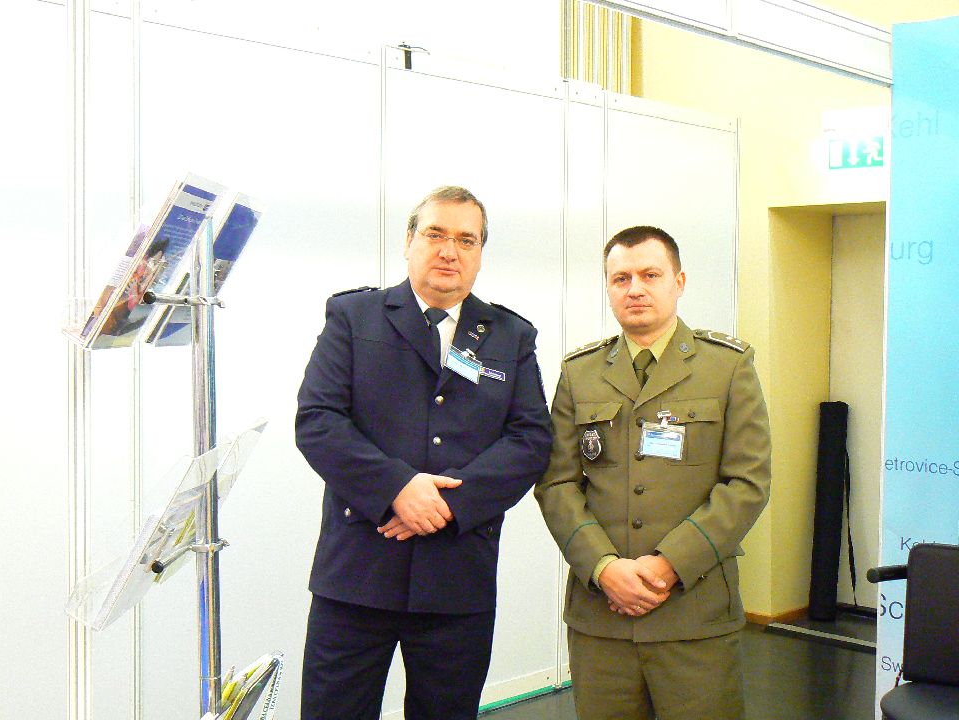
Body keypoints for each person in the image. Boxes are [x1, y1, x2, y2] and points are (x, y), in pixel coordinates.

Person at [295, 186, 553, 720]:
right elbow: (318, 420)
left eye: (466, 240)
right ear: (409, 241)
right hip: (357, 573)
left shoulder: (510, 335)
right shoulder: (355, 316)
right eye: (435, 234)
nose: (449, 251)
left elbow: (530, 439)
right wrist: (397, 488)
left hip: (456, 576)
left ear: (480, 253)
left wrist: (445, 505)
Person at [534, 226, 771, 720]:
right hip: (601, 617)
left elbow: (747, 483)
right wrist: (604, 567)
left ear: (678, 282)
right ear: (608, 287)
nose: (635, 289)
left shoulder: (727, 366)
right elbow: (557, 484)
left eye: (650, 275)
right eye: (621, 278)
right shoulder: (580, 372)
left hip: (694, 613)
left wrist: (667, 566)